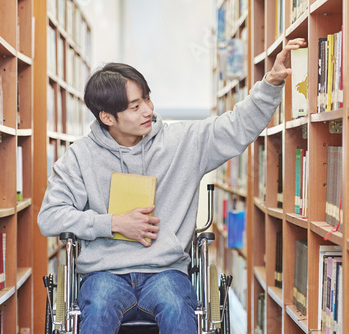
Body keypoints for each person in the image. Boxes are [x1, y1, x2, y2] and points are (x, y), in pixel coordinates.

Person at [38, 38, 307, 333]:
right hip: (104, 272)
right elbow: (50, 217)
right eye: (135, 106)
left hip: (165, 270)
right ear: (107, 117)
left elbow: (237, 126)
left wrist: (270, 84)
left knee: (178, 308)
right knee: (98, 307)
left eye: (147, 99)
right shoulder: (80, 157)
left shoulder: (181, 142)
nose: (147, 110)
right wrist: (112, 223)